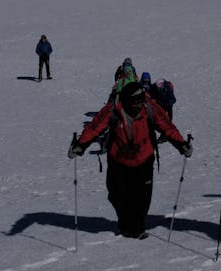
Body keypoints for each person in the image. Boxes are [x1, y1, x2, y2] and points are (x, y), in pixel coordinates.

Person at [68, 82, 192, 239]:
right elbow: (95, 127)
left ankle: (137, 229)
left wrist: (182, 145)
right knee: (115, 194)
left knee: (141, 198)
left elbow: (167, 127)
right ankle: (125, 222)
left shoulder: (150, 108)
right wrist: (80, 145)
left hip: (144, 159)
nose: (139, 105)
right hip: (118, 160)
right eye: (135, 102)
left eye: (141, 101)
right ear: (126, 100)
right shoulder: (113, 109)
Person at [149, 78, 177, 143]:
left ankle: (167, 136)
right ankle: (164, 136)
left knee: (167, 122)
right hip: (162, 108)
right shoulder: (155, 88)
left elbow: (173, 99)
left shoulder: (168, 88)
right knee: (163, 122)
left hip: (168, 108)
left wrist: (168, 103)